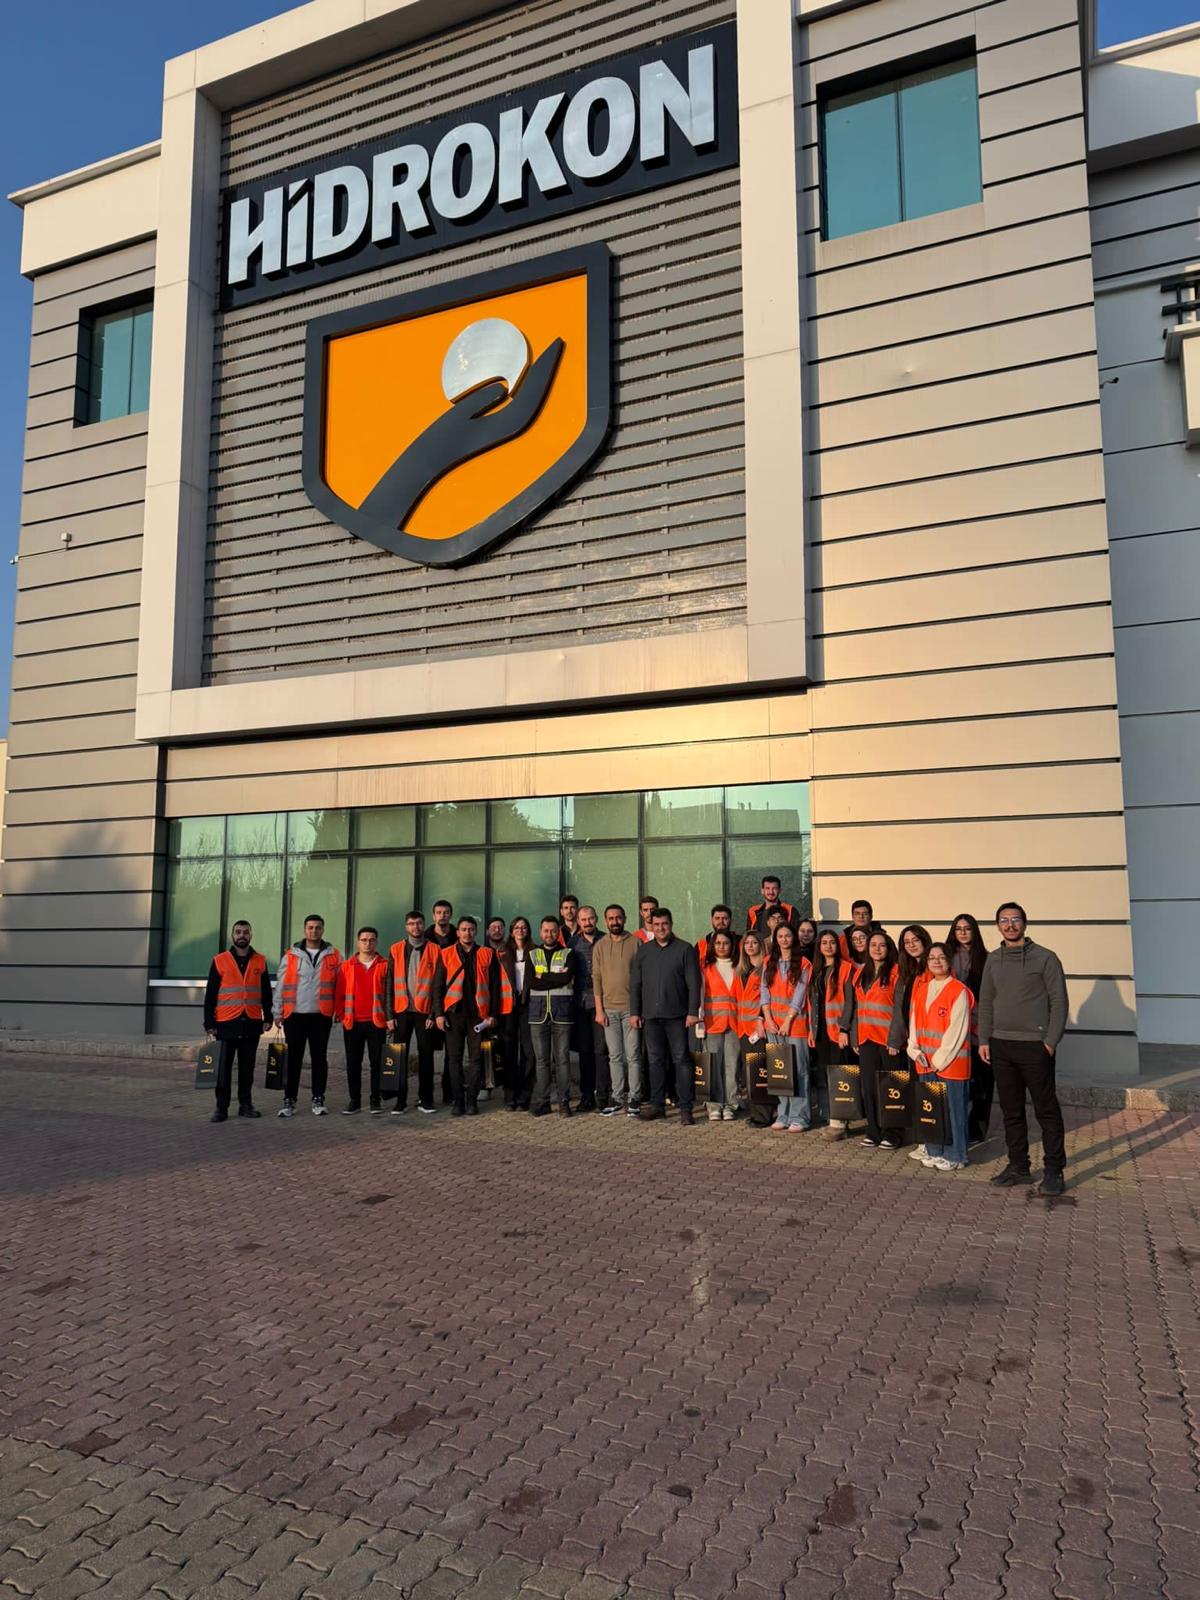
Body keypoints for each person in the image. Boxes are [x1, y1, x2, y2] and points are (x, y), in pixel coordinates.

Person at [978, 903, 1069, 1197]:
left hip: (1035, 1046)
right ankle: (1019, 1166)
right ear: (998, 926)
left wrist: (1050, 1041)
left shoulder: (1046, 958)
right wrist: (984, 1039)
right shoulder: (993, 960)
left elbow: (1059, 1001)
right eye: (1004, 920)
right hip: (1001, 1045)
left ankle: (1054, 1170)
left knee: (1046, 1110)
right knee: (1011, 1111)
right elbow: (986, 1001)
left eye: (1015, 919)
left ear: (1025, 924)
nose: (1010, 925)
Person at [630, 908, 700, 1123]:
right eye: (657, 924)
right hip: (651, 1016)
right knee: (655, 1061)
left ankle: (685, 1108)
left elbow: (693, 983)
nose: (661, 928)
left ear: (671, 924)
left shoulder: (685, 949)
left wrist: (692, 1011)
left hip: (677, 1016)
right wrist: (634, 1012)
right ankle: (657, 1106)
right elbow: (636, 984)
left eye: (665, 924)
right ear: (651, 926)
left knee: (681, 1060)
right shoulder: (644, 951)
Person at [909, 941, 973, 1172]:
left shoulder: (958, 990)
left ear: (949, 961)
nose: (936, 961)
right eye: (932, 958)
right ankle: (934, 1150)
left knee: (954, 1111)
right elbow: (914, 1023)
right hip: (925, 1061)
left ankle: (956, 1155)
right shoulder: (922, 989)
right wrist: (914, 1050)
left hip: (950, 1064)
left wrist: (938, 1061)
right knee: (932, 1109)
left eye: (941, 957)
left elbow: (958, 1030)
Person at [204, 920, 272, 1123]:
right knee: (223, 1069)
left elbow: (266, 993)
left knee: (247, 1069)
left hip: (251, 1022)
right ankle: (221, 1108)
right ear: (232, 935)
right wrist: (209, 1023)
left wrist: (268, 1017)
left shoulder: (260, 961)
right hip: (226, 1023)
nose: (242, 935)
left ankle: (245, 1104)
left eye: (245, 932)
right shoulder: (220, 960)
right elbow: (211, 995)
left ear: (251, 935)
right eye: (238, 932)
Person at [274, 914, 341, 1118]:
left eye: (318, 927)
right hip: (294, 1015)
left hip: (321, 1015)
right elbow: (281, 984)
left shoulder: (334, 955)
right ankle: (289, 1100)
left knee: (319, 1058)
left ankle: (318, 1098)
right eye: (310, 927)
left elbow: (341, 986)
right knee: (293, 1059)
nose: (314, 931)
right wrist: (277, 1011)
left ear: (323, 930)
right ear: (304, 930)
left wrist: (339, 1010)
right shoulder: (291, 955)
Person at [432, 916, 499, 1117]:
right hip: (453, 1015)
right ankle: (458, 1101)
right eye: (463, 929)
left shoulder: (487, 953)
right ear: (457, 932)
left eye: (470, 929)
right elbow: (437, 987)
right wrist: (438, 1014)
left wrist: (492, 1014)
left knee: (476, 1060)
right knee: (454, 1059)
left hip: (479, 1016)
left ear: (475, 932)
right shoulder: (446, 953)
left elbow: (495, 987)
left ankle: (472, 1101)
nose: (467, 933)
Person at [760, 921, 812, 1131]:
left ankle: (800, 1116)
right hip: (773, 1024)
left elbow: (800, 994)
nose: (784, 939)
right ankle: (784, 1114)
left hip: (795, 1024)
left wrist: (788, 1020)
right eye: (780, 936)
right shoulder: (768, 962)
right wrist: (768, 1018)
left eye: (788, 936)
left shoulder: (804, 963)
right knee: (779, 1069)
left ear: (794, 938)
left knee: (799, 1070)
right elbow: (764, 991)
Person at [388, 910, 441, 1115]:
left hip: (424, 1012)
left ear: (424, 925)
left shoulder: (434, 949)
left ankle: (426, 1100)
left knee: (426, 1056)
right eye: (411, 923)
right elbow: (389, 984)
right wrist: (389, 1015)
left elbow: (438, 985)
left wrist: (433, 1014)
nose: (415, 927)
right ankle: (400, 1101)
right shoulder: (396, 949)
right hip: (401, 1011)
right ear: (406, 927)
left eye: (419, 923)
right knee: (398, 1056)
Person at [947, 912, 992, 1147]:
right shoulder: (946, 956)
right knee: (957, 1083)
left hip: (979, 1026)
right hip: (952, 1027)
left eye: (967, 928)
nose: (963, 933)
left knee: (982, 1084)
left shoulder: (987, 958)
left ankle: (977, 1129)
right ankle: (955, 1126)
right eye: (959, 929)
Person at [854, 931, 901, 1150]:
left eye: (882, 945)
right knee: (869, 1088)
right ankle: (873, 1130)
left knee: (892, 1087)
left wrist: (896, 1039)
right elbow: (856, 1007)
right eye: (873, 944)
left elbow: (900, 1009)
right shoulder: (861, 972)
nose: (877, 949)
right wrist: (855, 1036)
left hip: (888, 1041)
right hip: (866, 1039)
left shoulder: (896, 972)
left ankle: (893, 1133)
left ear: (889, 948)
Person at [335, 927, 390, 1114]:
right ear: (358, 942)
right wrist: (341, 1015)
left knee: (377, 1063)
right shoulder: (347, 966)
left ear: (376, 942)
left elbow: (389, 994)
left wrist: (389, 1018)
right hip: (352, 1022)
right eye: (364, 940)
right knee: (353, 1063)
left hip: (377, 1022)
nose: (368, 943)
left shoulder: (384, 965)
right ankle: (355, 1100)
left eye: (372, 940)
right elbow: (339, 993)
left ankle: (375, 1100)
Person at [810, 929, 858, 1141]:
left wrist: (844, 1029)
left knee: (841, 1077)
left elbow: (850, 1003)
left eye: (832, 942)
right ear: (819, 947)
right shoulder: (816, 970)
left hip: (838, 1031)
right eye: (824, 943)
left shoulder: (846, 968)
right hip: (820, 1031)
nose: (828, 946)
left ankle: (841, 1123)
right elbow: (812, 1003)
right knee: (826, 1076)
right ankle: (833, 1119)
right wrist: (811, 1031)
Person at [890, 925, 933, 1163]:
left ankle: (931, 1141)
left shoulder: (932, 968)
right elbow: (900, 1009)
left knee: (929, 1092)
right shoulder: (907, 972)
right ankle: (925, 1140)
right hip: (912, 1042)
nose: (911, 945)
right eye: (906, 942)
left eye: (915, 940)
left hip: (929, 1042)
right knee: (918, 1091)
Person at [594, 903, 641, 1117]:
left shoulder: (636, 943)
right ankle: (617, 1098)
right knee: (614, 1056)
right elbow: (596, 979)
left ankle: (635, 1098)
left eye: (618, 917)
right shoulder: (600, 946)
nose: (615, 921)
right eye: (611, 918)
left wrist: (637, 1010)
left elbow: (641, 977)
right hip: (609, 1011)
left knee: (633, 1056)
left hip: (631, 1010)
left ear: (624, 919)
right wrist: (599, 1010)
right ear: (606, 921)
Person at [527, 915, 575, 1115]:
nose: (549, 934)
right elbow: (531, 982)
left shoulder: (568, 953)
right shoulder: (532, 954)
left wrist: (543, 976)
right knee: (541, 1061)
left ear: (558, 932)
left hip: (561, 1013)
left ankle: (564, 1102)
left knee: (562, 1059)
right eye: (546, 930)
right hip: (538, 1014)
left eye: (553, 930)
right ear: (541, 932)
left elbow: (566, 978)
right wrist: (555, 978)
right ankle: (543, 1101)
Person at [569, 905, 610, 1112]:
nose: (587, 923)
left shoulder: (606, 940)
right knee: (585, 1051)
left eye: (590, 918)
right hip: (580, 1003)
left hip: (602, 1003)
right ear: (578, 922)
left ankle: (603, 1095)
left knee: (601, 1051)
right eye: (583, 920)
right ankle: (587, 1096)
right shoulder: (572, 943)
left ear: (597, 919)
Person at [700, 930, 740, 1120]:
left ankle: (731, 1104)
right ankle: (714, 1105)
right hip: (712, 1022)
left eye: (726, 943)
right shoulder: (705, 967)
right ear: (712, 946)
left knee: (732, 1066)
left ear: (732, 945)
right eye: (718, 943)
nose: (722, 947)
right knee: (713, 1065)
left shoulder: (739, 966)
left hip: (735, 1022)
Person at [735, 931, 771, 1127]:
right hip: (744, 1030)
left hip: (759, 1030)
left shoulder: (767, 968)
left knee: (760, 1073)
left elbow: (769, 999)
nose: (750, 945)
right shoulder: (741, 971)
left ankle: (764, 1115)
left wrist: (761, 1021)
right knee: (750, 1073)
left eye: (754, 942)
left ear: (761, 945)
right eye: (746, 942)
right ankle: (756, 1112)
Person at [503, 917, 536, 1110]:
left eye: (524, 927)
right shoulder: (503, 952)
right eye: (517, 927)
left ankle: (525, 1095)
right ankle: (510, 1096)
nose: (520, 930)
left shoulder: (535, 951)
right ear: (511, 931)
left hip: (528, 1005)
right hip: (508, 1006)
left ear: (528, 930)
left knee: (528, 1051)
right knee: (509, 1050)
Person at [485, 916, 517, 1103]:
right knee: (486, 1048)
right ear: (487, 931)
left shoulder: (511, 951)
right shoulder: (482, 952)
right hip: (486, 1008)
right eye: (493, 927)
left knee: (509, 1049)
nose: (497, 930)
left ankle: (509, 1091)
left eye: (500, 927)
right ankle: (486, 1086)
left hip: (508, 1007)